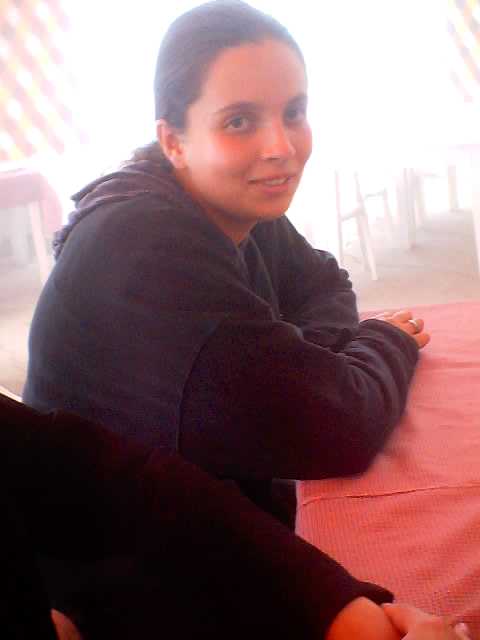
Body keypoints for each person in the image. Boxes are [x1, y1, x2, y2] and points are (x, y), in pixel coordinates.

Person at [24, 0, 429, 527]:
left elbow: (324, 282)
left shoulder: (233, 201)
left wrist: (302, 366)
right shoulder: (146, 247)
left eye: (293, 112)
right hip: (109, 548)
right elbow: (341, 429)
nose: (280, 147)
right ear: (174, 141)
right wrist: (384, 340)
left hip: (197, 510)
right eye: (239, 121)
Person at [0, 392, 470, 640]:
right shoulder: (158, 265)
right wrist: (386, 339)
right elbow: (338, 421)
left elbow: (127, 481)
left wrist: (337, 606)